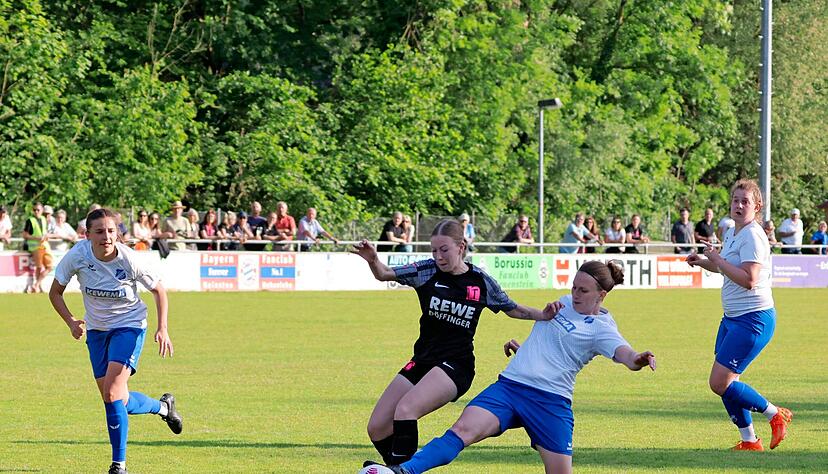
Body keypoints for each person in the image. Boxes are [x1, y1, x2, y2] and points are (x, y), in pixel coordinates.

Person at [363, 260, 656, 474]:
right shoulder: (565, 303)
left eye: (583, 290)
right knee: (462, 429)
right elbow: (550, 341)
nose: (575, 293)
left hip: (549, 401)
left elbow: (624, 354)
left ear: (601, 295)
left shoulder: (602, 328)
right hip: (509, 388)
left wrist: (638, 360)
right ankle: (403, 472)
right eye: (574, 286)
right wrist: (523, 349)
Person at [351, 219, 553, 466]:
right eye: (434, 250)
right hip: (423, 360)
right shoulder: (426, 271)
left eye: (444, 249)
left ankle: (402, 471)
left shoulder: (480, 281)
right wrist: (372, 259)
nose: (438, 256)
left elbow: (512, 309)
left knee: (406, 410)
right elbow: (384, 274)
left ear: (461, 246)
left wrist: (543, 315)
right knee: (377, 428)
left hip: (456, 365)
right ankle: (401, 467)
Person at [48, 208, 183, 474]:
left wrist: (162, 328)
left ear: (118, 234)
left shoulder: (129, 259)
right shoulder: (78, 255)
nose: (106, 237)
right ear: (88, 235)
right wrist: (71, 321)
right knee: (116, 399)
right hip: (97, 331)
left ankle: (119, 465)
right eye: (99, 232)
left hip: (129, 327)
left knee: (111, 393)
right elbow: (55, 293)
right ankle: (163, 407)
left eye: (111, 231)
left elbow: (159, 290)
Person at [686, 179, 791, 452]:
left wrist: (718, 261)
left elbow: (749, 279)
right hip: (732, 318)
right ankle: (749, 441)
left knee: (719, 382)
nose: (739, 205)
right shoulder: (734, 231)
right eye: (735, 200)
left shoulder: (754, 235)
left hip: (753, 319)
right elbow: (726, 268)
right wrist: (704, 262)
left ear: (757, 207)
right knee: (728, 382)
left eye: (745, 201)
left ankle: (774, 414)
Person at [22, 202, 53, 293]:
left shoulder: (44, 219)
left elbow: (44, 232)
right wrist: (37, 238)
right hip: (34, 246)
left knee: (50, 267)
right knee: (39, 267)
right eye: (34, 210)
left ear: (42, 210)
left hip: (44, 244)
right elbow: (24, 235)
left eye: (38, 210)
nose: (36, 212)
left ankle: (36, 285)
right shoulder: (30, 220)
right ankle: (37, 287)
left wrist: (46, 236)